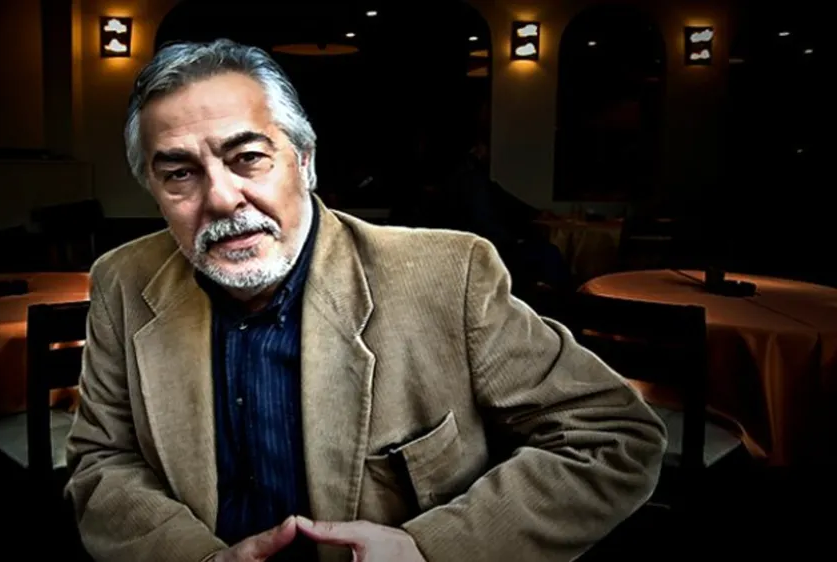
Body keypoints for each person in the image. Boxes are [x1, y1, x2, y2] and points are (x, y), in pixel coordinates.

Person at [65, 38, 667, 562]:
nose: (221, 198)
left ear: (304, 161)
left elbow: (612, 435)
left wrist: (430, 551)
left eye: (248, 158)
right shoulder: (122, 281)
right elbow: (101, 459)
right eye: (179, 173)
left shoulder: (449, 275)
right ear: (155, 189)